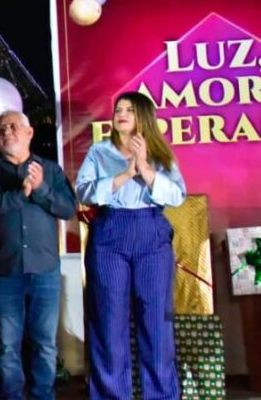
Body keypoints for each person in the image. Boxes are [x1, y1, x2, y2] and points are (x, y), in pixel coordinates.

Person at [76, 92, 186, 400]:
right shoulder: (99, 152)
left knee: (155, 321)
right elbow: (84, 192)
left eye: (129, 110)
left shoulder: (161, 152)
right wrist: (125, 174)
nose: (121, 113)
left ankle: (161, 395)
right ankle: (111, 395)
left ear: (143, 117)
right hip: (110, 232)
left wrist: (144, 166)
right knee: (109, 321)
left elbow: (176, 195)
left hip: (151, 232)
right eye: (118, 109)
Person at [0, 110, 76, 400]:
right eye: (1, 129)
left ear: (29, 133)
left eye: (14, 126)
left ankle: (44, 395)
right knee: (7, 345)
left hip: (45, 271)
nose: (7, 132)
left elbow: (67, 209)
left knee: (45, 344)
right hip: (6, 272)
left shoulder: (50, 170)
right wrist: (21, 193)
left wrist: (40, 188)